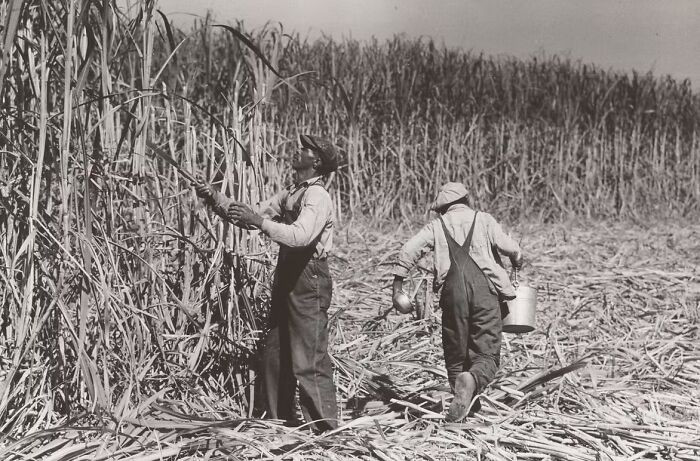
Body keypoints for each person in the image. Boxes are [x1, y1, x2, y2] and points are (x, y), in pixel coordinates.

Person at [194, 134, 340, 432]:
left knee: (309, 356)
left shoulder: (317, 196)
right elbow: (253, 215)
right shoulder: (292, 192)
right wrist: (215, 197)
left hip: (309, 278)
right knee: (275, 351)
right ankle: (278, 420)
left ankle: (325, 430)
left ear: (316, 162)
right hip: (288, 276)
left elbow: (300, 236)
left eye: (304, 150)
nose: (296, 152)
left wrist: (260, 223)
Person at [391, 182, 523, 422]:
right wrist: (517, 259)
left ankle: (466, 407)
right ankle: (472, 381)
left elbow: (408, 249)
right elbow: (510, 247)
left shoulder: (436, 226)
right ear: (466, 199)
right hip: (484, 292)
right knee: (487, 355)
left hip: (452, 295)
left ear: (443, 208)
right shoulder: (483, 220)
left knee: (455, 355)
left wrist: (397, 285)